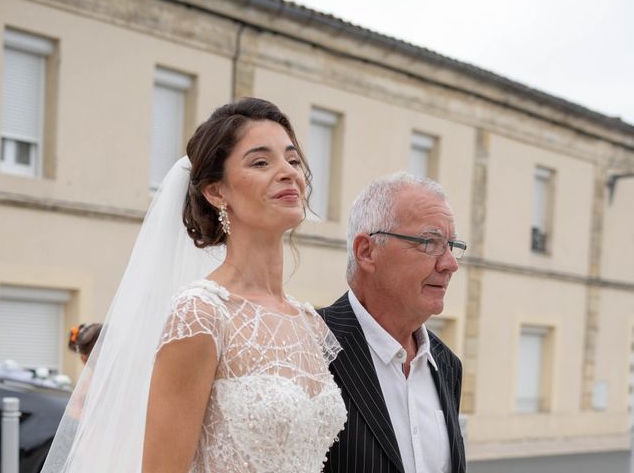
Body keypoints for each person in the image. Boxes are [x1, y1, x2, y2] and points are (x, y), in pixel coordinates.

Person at [42, 98, 346, 473]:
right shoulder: (201, 314)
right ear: (217, 192)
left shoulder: (308, 323)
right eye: (261, 162)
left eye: (293, 159)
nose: (288, 172)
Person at [319, 173, 467, 473]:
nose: (450, 263)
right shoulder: (309, 346)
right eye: (430, 242)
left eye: (451, 245)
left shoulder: (448, 365)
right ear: (367, 251)